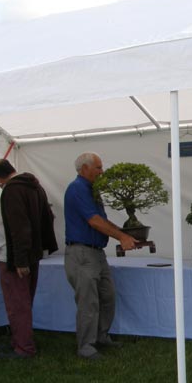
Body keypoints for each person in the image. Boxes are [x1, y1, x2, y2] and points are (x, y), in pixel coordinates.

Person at [64, 152, 136, 360]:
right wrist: (121, 236)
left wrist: (125, 234)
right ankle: (86, 346)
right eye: (98, 167)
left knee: (107, 296)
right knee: (88, 302)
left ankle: (101, 336)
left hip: (96, 253)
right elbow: (94, 221)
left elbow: (102, 220)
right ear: (85, 168)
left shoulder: (92, 191)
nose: (102, 172)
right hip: (82, 253)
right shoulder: (77, 188)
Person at [0, 159, 58, 359]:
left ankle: (24, 347)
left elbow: (19, 226)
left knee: (17, 303)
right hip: (32, 253)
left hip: (14, 256)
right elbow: (48, 217)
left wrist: (20, 260)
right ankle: (20, 340)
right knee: (24, 301)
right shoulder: (35, 187)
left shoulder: (12, 190)